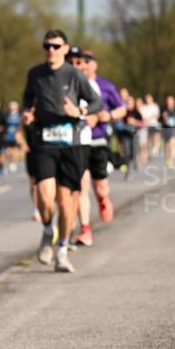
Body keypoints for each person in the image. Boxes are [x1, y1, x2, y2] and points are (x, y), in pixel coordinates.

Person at [22, 30, 101, 273]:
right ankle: (48, 230)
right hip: (44, 142)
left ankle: (63, 250)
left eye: (56, 46)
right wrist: (27, 114)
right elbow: (27, 100)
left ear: (65, 48)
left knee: (67, 204)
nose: (51, 50)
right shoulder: (35, 74)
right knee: (45, 195)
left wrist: (79, 113)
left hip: (71, 144)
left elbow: (96, 102)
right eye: (47, 45)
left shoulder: (74, 74)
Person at [68, 49, 125, 247]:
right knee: (82, 186)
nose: (83, 65)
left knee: (100, 187)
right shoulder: (70, 85)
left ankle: (103, 199)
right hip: (78, 141)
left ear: (94, 64)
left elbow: (122, 109)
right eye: (79, 61)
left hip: (99, 139)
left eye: (86, 61)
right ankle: (85, 229)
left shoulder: (105, 86)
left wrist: (107, 116)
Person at [160, 95, 175, 169]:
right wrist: (164, 117)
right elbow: (161, 119)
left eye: (171, 100)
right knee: (167, 146)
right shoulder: (164, 109)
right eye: (168, 100)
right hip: (165, 129)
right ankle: (168, 159)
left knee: (172, 144)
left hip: (173, 129)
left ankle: (171, 160)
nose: (169, 102)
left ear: (173, 101)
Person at [3, 101, 23, 173]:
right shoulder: (6, 116)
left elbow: (21, 126)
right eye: (11, 108)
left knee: (15, 150)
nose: (13, 110)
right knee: (8, 151)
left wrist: (20, 134)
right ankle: (8, 161)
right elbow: (4, 125)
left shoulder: (19, 116)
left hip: (16, 136)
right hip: (8, 136)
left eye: (14, 108)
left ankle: (13, 162)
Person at [141, 94, 161, 160]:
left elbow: (157, 114)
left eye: (149, 98)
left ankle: (155, 148)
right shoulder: (144, 107)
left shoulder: (155, 106)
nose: (148, 100)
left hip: (154, 125)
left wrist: (149, 118)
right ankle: (149, 151)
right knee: (148, 140)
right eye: (147, 98)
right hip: (146, 126)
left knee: (155, 136)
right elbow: (143, 116)